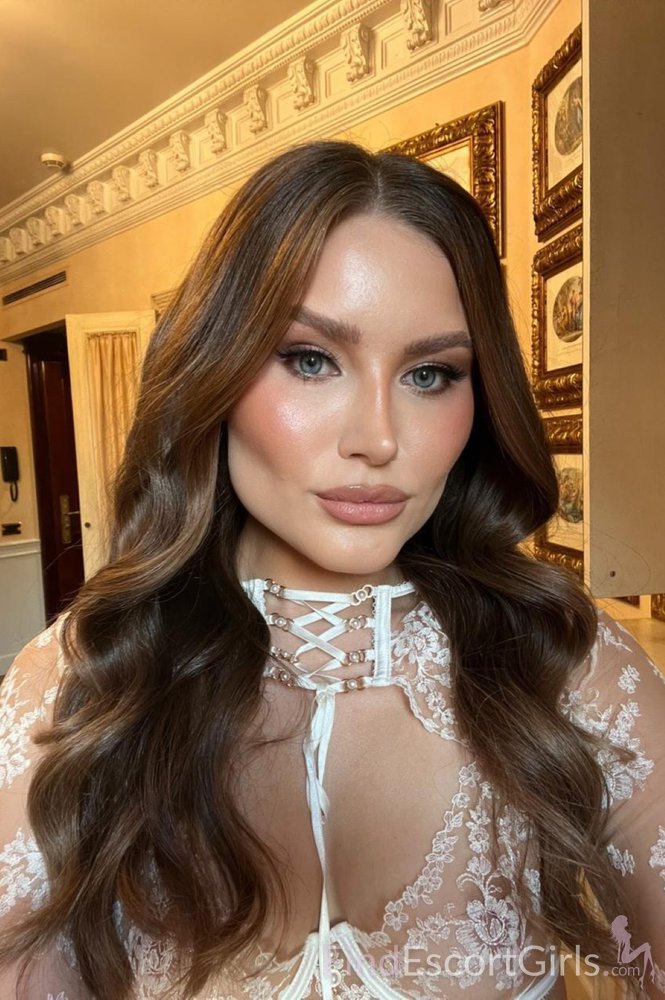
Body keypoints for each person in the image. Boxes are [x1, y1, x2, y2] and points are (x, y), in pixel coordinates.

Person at [0, 140, 663, 1000]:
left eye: (430, 373)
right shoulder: (76, 681)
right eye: (309, 359)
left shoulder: (563, 659)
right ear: (212, 371)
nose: (378, 439)